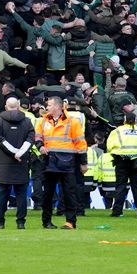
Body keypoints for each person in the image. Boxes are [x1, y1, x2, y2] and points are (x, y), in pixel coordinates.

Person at [37, 95, 85, 229]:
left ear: (58, 107)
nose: (47, 107)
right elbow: (37, 136)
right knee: (47, 194)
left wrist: (83, 162)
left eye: (50, 105)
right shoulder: (43, 120)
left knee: (69, 193)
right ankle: (46, 221)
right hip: (49, 161)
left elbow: (80, 142)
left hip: (68, 162)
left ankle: (70, 221)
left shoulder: (72, 121)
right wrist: (40, 146)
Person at [0, 97, 34, 229]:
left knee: (1, 194)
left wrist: (14, 152)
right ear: (19, 106)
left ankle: (0, 222)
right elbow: (31, 138)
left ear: (6, 107)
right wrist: (19, 152)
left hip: (3, 164)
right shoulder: (27, 121)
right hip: (21, 163)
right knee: (21, 194)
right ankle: (20, 222)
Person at [106, 111, 137, 217]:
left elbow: (110, 146)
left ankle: (117, 211)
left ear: (124, 120)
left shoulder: (117, 131)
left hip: (122, 160)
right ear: (135, 121)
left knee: (120, 186)